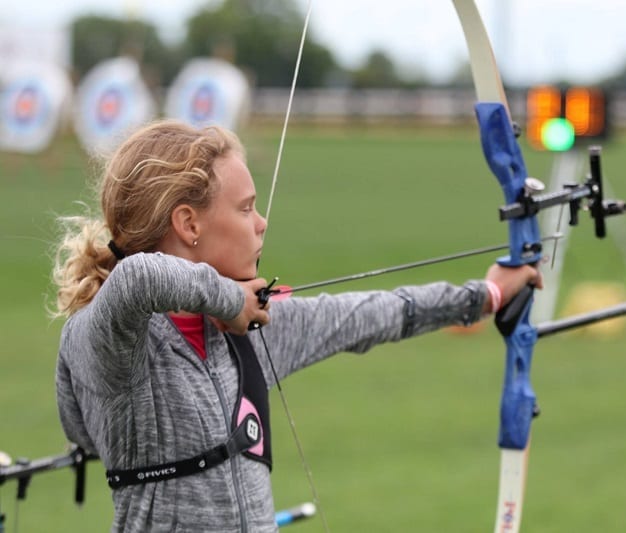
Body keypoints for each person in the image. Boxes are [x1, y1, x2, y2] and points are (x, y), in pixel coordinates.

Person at [51, 120, 542, 532]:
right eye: (245, 208)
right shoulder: (106, 337)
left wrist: (486, 295)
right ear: (188, 224)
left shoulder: (245, 326)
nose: (261, 223)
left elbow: (375, 313)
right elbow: (138, 278)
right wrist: (227, 299)